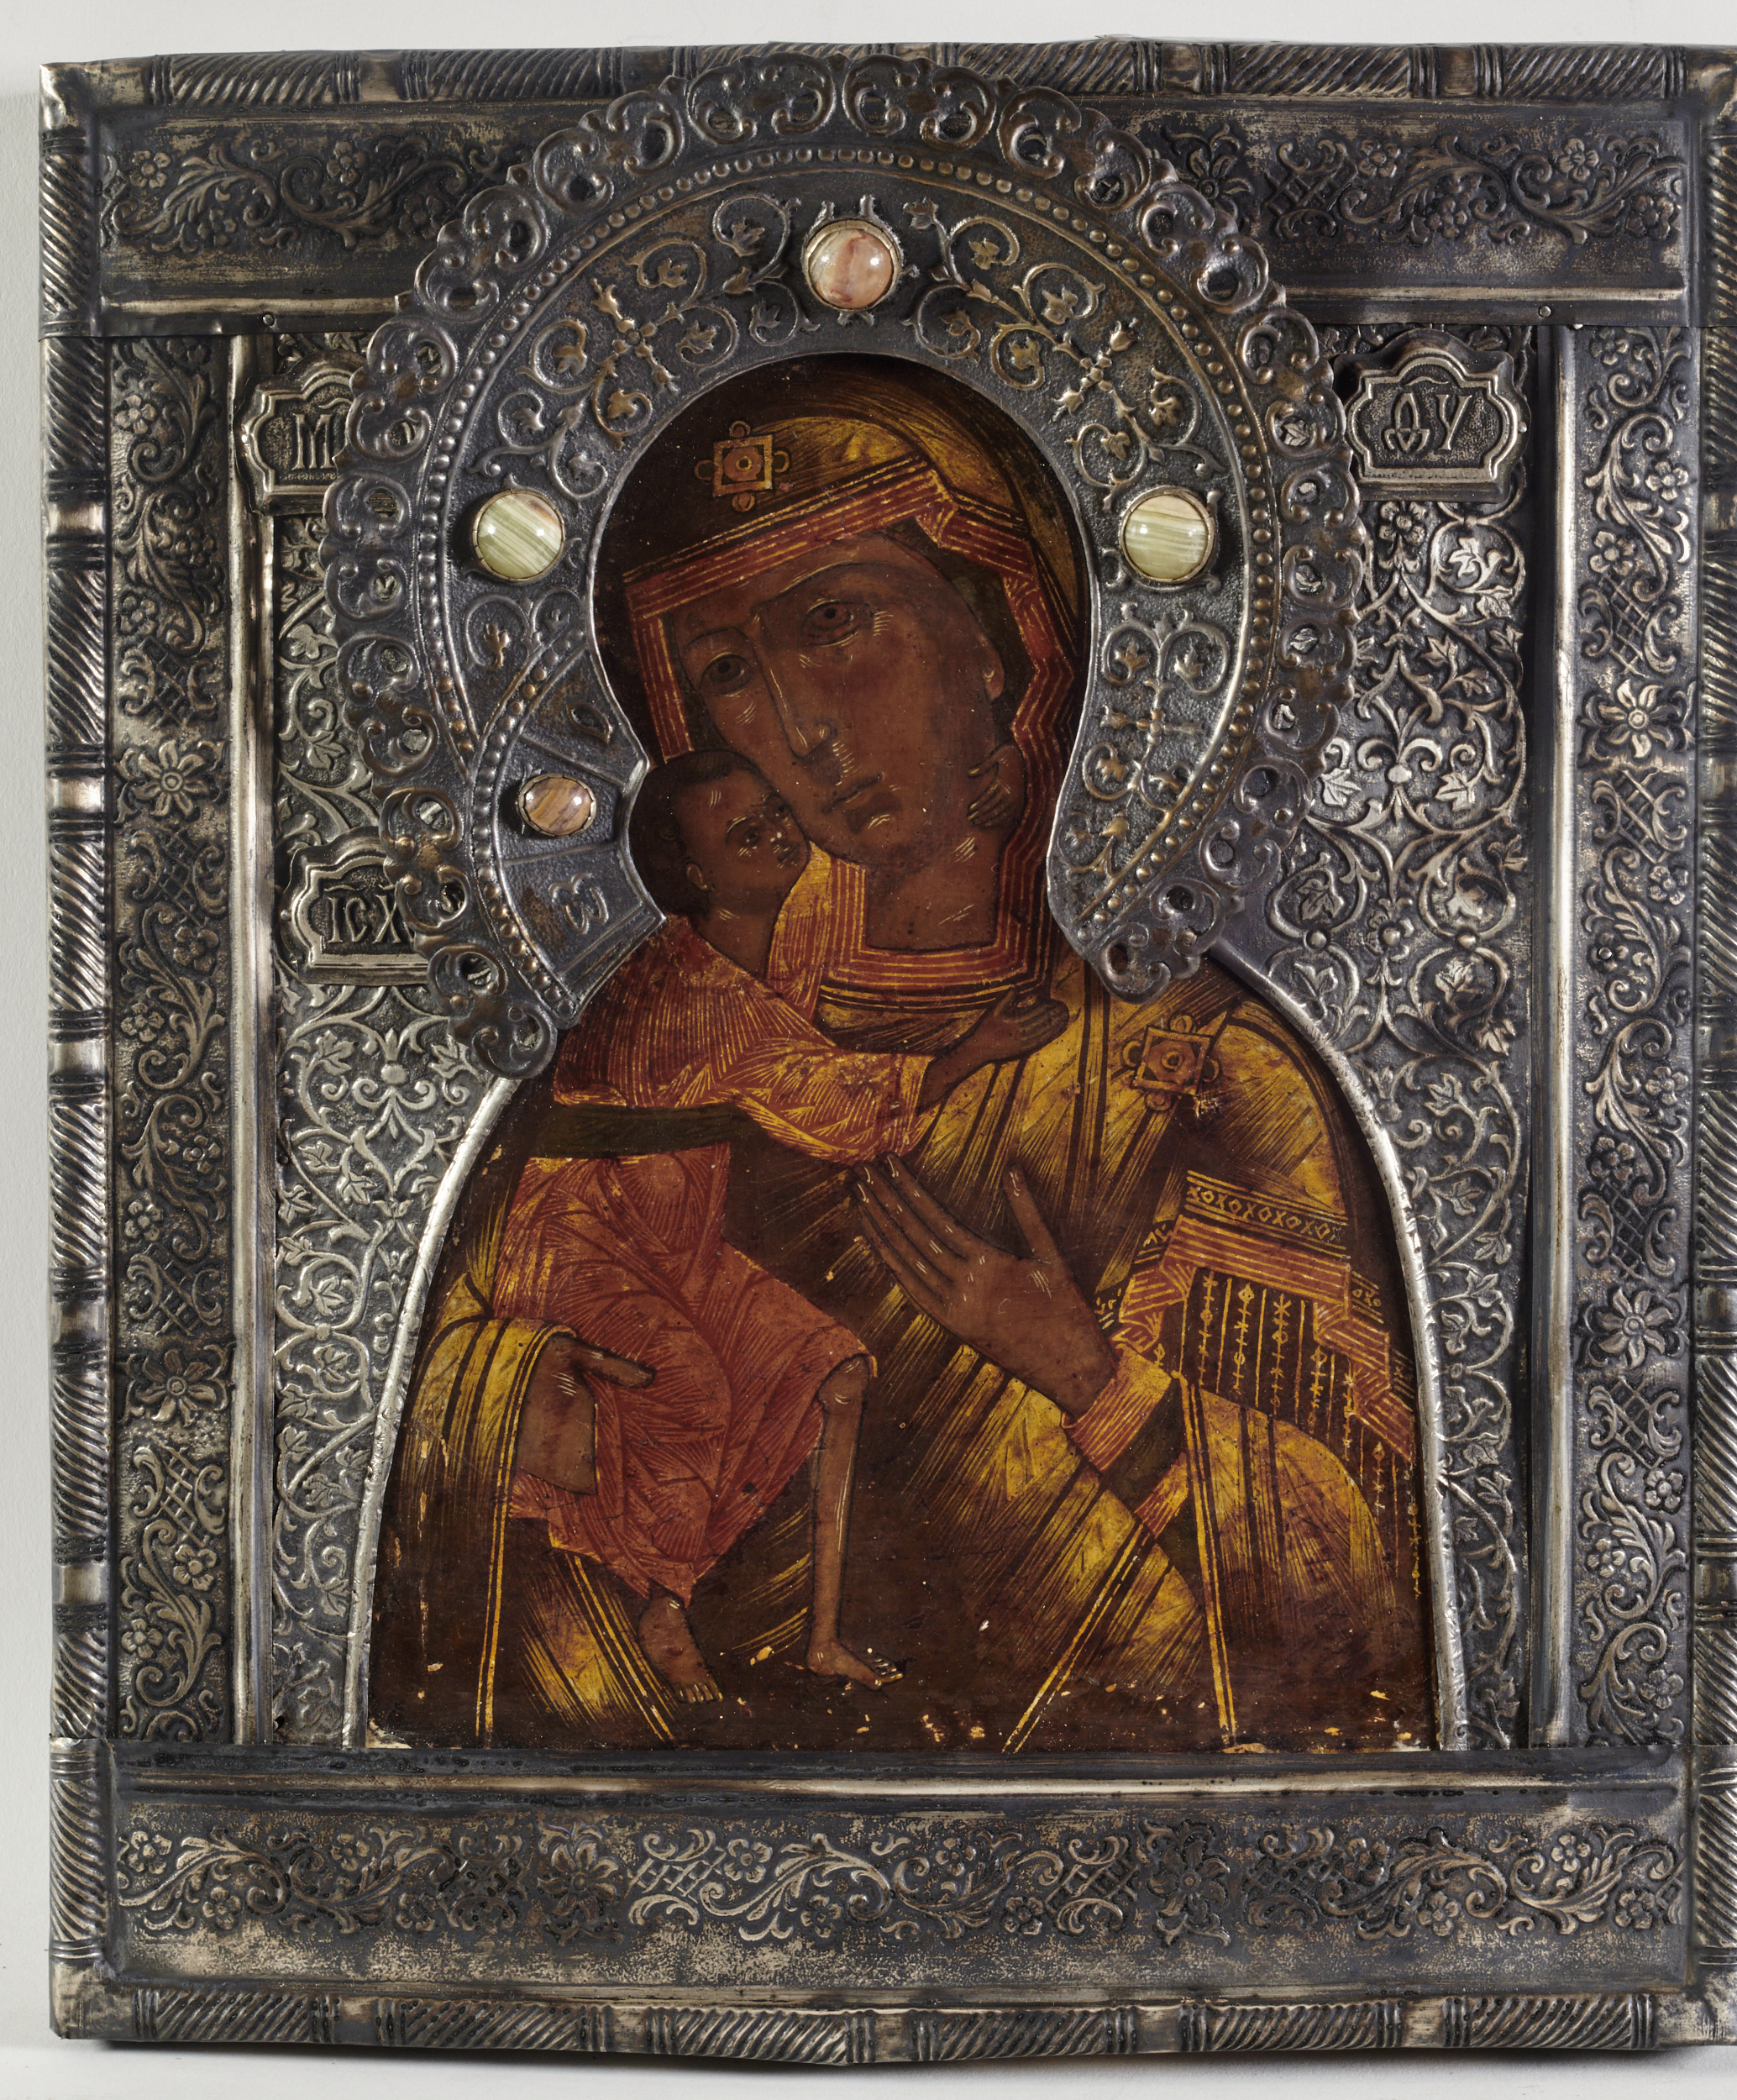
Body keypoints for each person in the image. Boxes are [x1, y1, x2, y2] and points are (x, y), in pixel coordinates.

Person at [369, 360, 1434, 1755]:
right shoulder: (652, 1041)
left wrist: (1090, 1377)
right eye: (728, 673)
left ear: (997, 633)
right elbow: (424, 1433)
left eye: (835, 622)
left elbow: (1360, 1620)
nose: (799, 727)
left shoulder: (1195, 1072)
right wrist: (513, 1398)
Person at [494, 744, 1067, 1704]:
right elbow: (831, 1102)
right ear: (695, 872)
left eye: (771, 811)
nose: (772, 832)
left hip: (673, 1235)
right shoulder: (686, 988)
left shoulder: (778, 937)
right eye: (741, 832)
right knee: (686, 1386)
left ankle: (822, 1638)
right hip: (579, 1235)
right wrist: (977, 1049)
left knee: (835, 1370)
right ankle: (660, 1602)